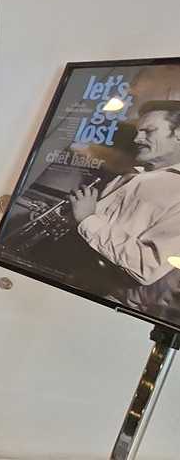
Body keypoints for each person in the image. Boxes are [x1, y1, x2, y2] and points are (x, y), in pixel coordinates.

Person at [68, 100, 180, 315]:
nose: (137, 139)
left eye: (149, 131)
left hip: (110, 306)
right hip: (77, 282)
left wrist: (87, 220)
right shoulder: (130, 176)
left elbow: (146, 266)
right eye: (138, 132)